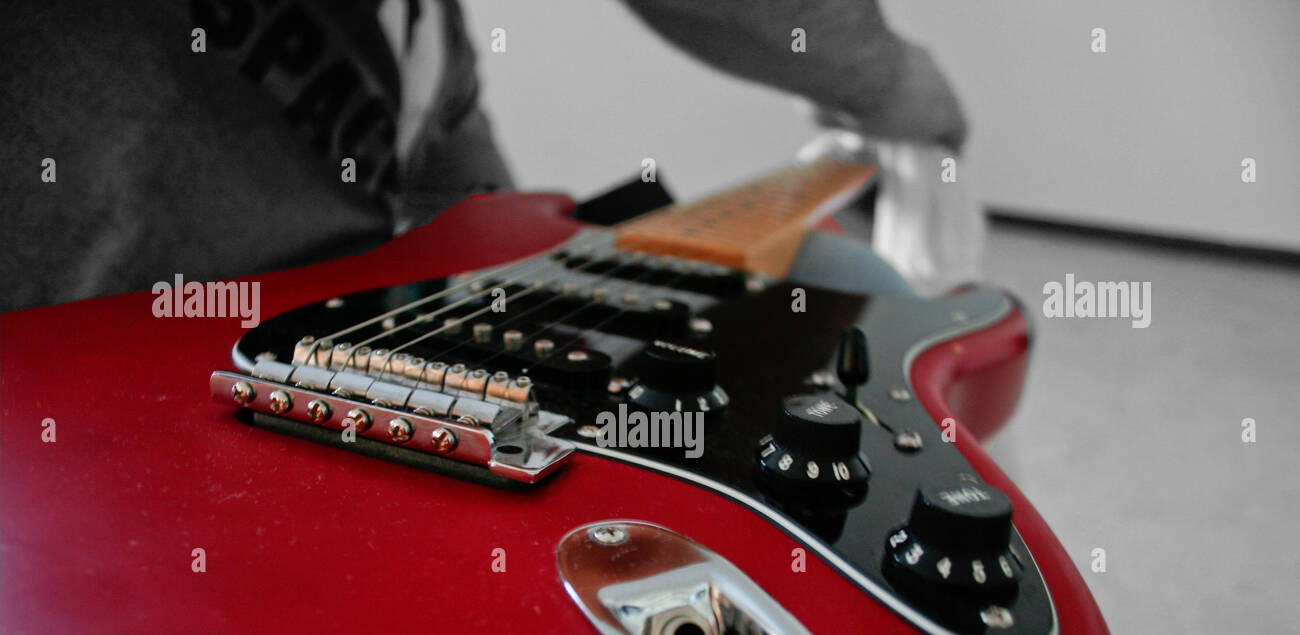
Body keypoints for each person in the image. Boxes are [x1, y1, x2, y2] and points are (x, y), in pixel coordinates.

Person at [0, 0, 966, 312]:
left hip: (295, 330)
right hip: (84, 398)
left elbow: (445, 162)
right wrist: (891, 82)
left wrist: (513, 276)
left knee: (835, 283)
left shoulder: (416, 34)